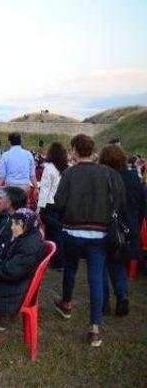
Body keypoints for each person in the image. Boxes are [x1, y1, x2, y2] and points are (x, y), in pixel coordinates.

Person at [53, 134, 126, 347]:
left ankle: (66, 303)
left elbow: (58, 202)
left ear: (74, 150)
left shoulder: (69, 174)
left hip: (73, 231)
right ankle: (94, 327)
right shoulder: (108, 174)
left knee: (71, 269)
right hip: (100, 233)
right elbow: (120, 201)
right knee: (95, 277)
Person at [99, 144, 146, 317]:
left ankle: (103, 303)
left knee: (101, 264)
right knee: (118, 264)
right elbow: (142, 205)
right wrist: (136, 224)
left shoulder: (103, 178)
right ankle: (122, 295)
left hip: (106, 227)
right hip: (128, 228)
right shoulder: (134, 178)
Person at [0, 208, 46, 325]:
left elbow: (10, 272)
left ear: (27, 224)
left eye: (16, 224)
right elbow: (3, 260)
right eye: (12, 223)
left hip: (11, 292)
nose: (12, 227)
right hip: (9, 283)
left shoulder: (30, 245)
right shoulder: (24, 237)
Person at [37, 142, 69, 268]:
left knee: (52, 233)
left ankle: (55, 260)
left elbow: (45, 189)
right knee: (59, 232)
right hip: (62, 203)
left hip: (50, 203)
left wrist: (40, 207)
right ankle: (59, 259)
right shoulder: (66, 167)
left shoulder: (49, 168)